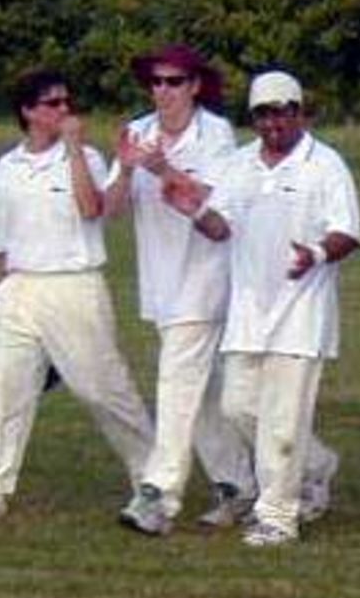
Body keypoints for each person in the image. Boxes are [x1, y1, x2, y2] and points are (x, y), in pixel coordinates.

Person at [162, 70, 360, 547]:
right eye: (263, 114)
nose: (273, 122)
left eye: (282, 111)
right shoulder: (240, 164)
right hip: (249, 309)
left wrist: (313, 254)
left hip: (302, 312)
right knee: (238, 407)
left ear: (299, 112)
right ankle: (315, 467)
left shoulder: (325, 164)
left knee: (283, 420)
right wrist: (191, 209)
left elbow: (348, 232)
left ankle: (278, 515)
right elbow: (221, 226)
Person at [0, 69, 154, 522]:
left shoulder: (87, 158)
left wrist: (74, 150)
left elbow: (91, 209)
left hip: (73, 285)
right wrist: (0, 290)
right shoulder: (9, 166)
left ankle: (153, 479)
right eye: (52, 104)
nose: (64, 111)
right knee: (4, 391)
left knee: (104, 390)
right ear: (28, 112)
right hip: (20, 288)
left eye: (67, 102)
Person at [102, 44, 261, 535]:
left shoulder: (215, 134)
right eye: (156, 82)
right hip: (162, 283)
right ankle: (252, 483)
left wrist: (163, 169)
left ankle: (158, 496)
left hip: (209, 277)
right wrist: (128, 167)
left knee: (175, 385)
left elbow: (215, 201)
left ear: (194, 86)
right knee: (207, 396)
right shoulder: (139, 132)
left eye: (174, 82)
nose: (163, 92)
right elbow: (110, 209)